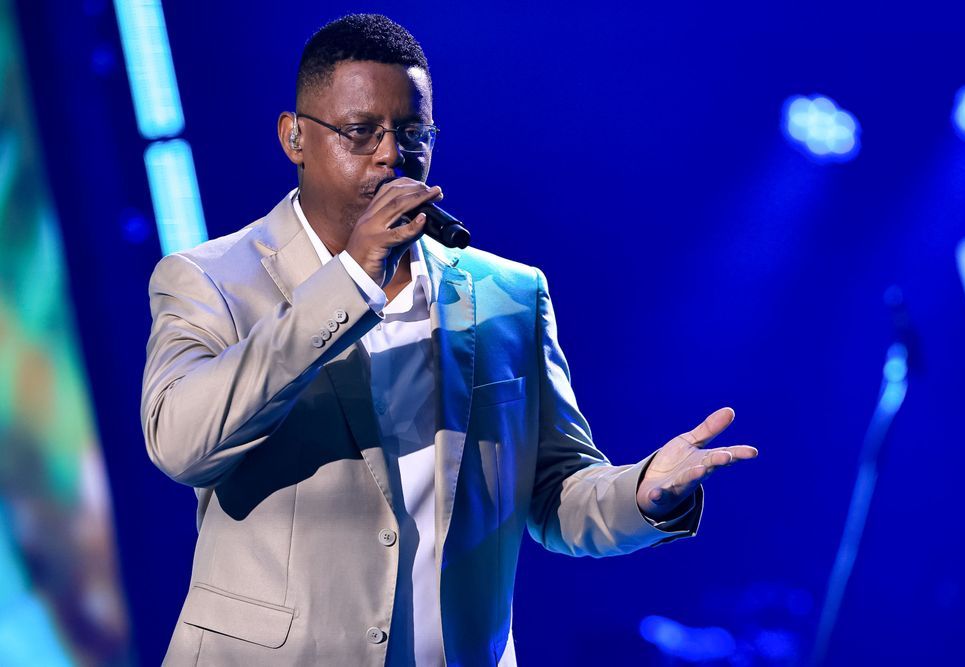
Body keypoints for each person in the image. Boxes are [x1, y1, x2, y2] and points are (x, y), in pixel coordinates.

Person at [140, 14, 758, 666]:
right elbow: (180, 446)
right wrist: (350, 279)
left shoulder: (508, 294)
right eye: (360, 132)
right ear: (294, 136)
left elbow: (555, 491)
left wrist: (639, 492)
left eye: (413, 133)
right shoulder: (211, 279)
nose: (390, 155)